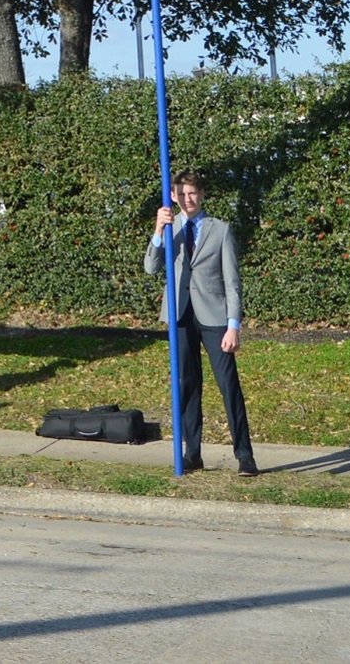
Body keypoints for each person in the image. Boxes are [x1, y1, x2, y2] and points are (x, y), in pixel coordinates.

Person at [145, 171, 258, 477]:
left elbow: (233, 283)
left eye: (192, 193)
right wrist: (159, 230)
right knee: (187, 386)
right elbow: (151, 266)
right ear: (173, 197)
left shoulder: (220, 230)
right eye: (181, 194)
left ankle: (245, 455)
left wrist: (233, 325)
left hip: (215, 317)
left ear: (202, 194)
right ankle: (192, 453)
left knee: (228, 385)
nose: (187, 199)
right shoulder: (171, 228)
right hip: (180, 316)